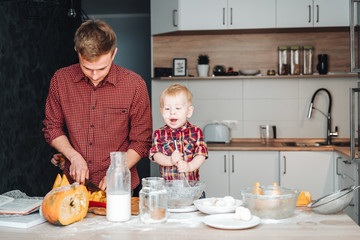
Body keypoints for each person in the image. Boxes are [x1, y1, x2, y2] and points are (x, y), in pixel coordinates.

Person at [43, 19, 152, 192]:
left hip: (119, 185)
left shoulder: (135, 84)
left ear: (114, 53)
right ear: (77, 51)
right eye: (87, 68)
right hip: (73, 184)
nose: (94, 75)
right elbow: (52, 127)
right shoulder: (60, 80)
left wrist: (118, 170)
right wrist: (73, 156)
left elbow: (142, 140)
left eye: (102, 68)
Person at [149, 84, 208, 181]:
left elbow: (201, 155)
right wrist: (170, 160)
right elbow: (156, 155)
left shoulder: (196, 132)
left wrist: (189, 166)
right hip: (168, 189)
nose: (172, 112)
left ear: (189, 111)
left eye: (178, 108)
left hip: (191, 187)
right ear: (161, 111)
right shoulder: (159, 133)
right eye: (167, 109)